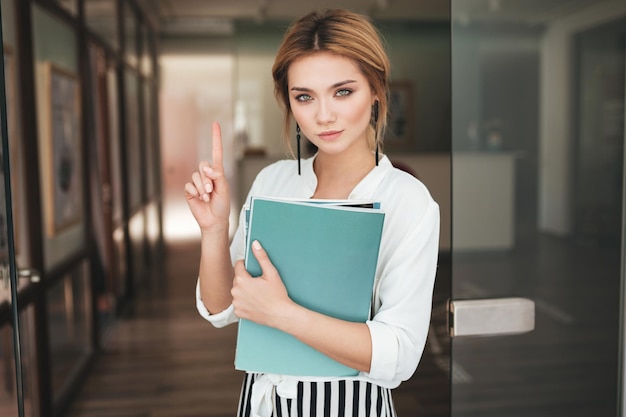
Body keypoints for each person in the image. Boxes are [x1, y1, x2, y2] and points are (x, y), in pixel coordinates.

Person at [184, 9, 440, 417]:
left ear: (375, 90)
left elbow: (399, 354)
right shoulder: (274, 181)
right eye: (304, 96)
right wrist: (214, 229)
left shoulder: (407, 201)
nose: (323, 115)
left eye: (342, 91)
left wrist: (283, 314)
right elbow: (221, 309)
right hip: (263, 403)